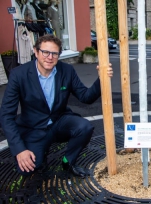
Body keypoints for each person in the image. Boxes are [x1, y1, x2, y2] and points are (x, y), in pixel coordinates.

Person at [0, 34, 113, 178]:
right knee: (28, 169)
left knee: (84, 127)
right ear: (36, 52)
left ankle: (68, 161)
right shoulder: (18, 74)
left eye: (54, 53)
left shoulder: (66, 70)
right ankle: (41, 151)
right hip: (34, 127)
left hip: (59, 120)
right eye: (45, 52)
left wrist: (101, 78)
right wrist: (19, 150)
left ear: (59, 55)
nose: (49, 57)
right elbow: (6, 116)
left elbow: (86, 97)